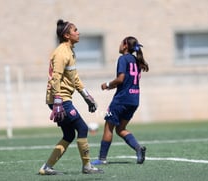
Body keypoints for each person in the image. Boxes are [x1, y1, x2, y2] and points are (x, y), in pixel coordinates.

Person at [38, 19, 103, 175]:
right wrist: (58, 101)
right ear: (67, 35)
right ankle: (87, 166)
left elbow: (74, 78)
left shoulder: (70, 51)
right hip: (60, 99)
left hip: (62, 99)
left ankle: (47, 168)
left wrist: (86, 96)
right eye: (75, 30)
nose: (78, 32)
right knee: (82, 128)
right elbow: (55, 78)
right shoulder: (61, 53)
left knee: (69, 134)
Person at [91, 36, 149, 165]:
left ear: (125, 45)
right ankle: (138, 148)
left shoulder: (123, 59)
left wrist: (107, 84)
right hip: (134, 99)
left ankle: (102, 159)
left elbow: (121, 78)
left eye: (120, 43)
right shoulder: (136, 60)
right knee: (121, 129)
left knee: (108, 128)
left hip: (121, 100)